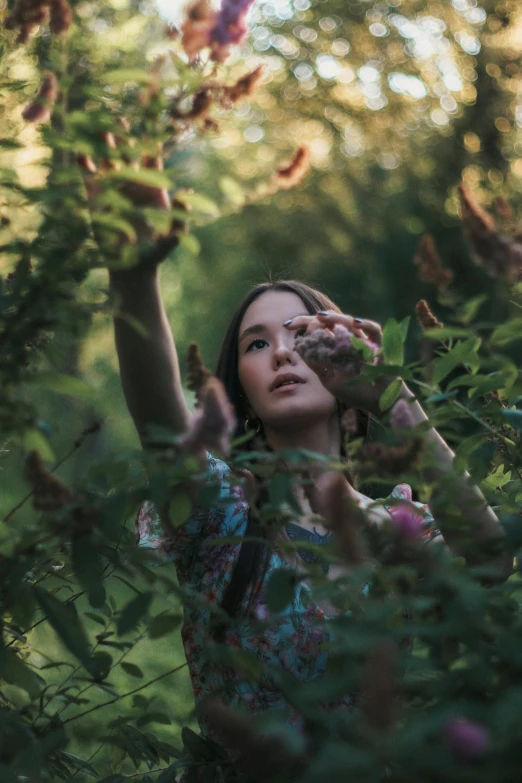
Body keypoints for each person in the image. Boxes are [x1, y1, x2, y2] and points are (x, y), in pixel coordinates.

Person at [111, 261, 511, 755]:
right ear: (243, 392)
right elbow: (158, 412)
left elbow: (491, 560)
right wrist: (134, 276)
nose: (281, 353)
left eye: (300, 336)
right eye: (256, 344)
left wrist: (393, 397)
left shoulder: (401, 527)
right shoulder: (220, 511)